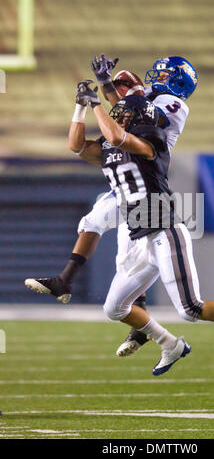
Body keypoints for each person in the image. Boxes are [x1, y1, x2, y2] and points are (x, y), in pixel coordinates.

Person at [66, 81, 214, 375]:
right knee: (114, 308)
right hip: (141, 236)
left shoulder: (151, 141)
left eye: (125, 113)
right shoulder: (113, 141)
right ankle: (170, 344)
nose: (119, 114)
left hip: (165, 231)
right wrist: (80, 107)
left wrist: (95, 104)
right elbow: (76, 146)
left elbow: (116, 136)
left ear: (139, 118)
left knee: (190, 308)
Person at [25, 55, 195, 357]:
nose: (118, 96)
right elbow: (85, 140)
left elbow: (130, 119)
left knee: (129, 261)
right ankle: (66, 280)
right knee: (95, 225)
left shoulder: (170, 104)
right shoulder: (136, 107)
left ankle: (134, 316)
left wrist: (104, 93)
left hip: (145, 185)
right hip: (125, 187)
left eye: (124, 89)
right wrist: (93, 96)